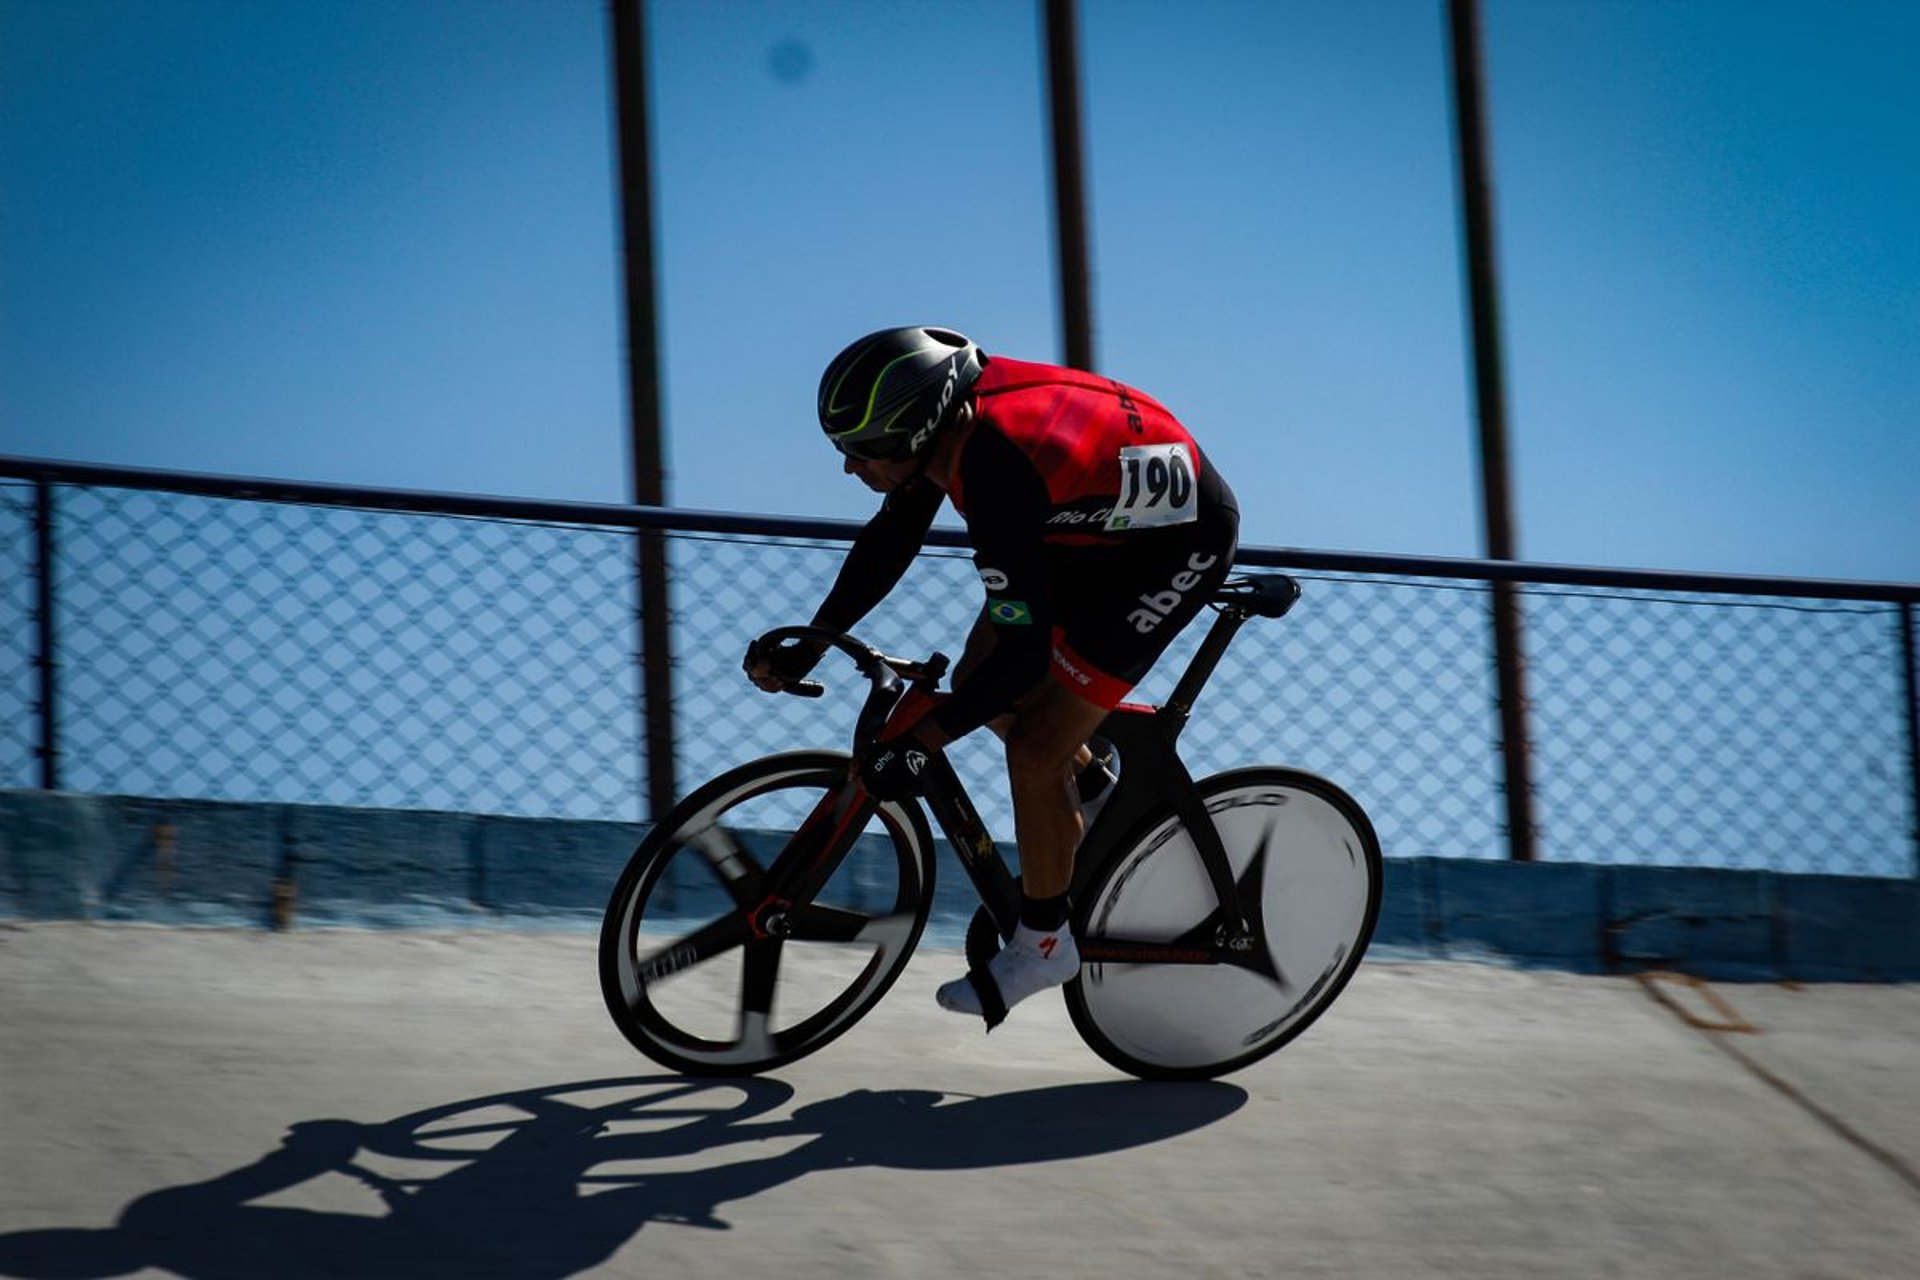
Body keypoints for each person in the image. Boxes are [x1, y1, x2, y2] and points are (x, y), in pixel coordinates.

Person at [744, 326, 1239, 1028]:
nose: (851, 470)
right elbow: (893, 535)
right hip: (1093, 520)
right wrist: (816, 642)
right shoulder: (950, 431)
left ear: (919, 433)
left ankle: (1044, 944)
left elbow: (1022, 661)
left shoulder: (997, 469)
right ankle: (1095, 791)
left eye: (864, 452)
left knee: (1033, 745)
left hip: (1174, 545)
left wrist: (923, 742)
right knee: (988, 683)